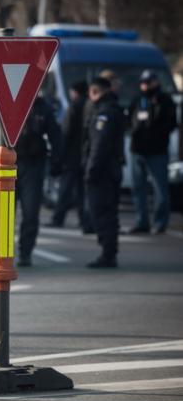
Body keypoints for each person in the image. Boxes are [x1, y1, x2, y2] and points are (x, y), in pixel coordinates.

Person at [0, 96, 61, 266]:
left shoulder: (42, 107)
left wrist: (57, 161)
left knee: (30, 213)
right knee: (2, 213)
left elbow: (55, 134)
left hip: (33, 165)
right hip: (7, 164)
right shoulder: (6, 103)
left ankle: (25, 253)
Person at [127, 70, 177, 234]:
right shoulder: (137, 99)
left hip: (157, 151)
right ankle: (142, 222)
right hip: (137, 150)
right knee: (138, 187)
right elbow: (130, 121)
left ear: (155, 82)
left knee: (159, 188)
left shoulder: (165, 100)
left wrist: (155, 133)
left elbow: (171, 124)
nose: (145, 85)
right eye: (143, 82)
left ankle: (160, 222)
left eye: (148, 82)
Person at [84, 77, 124, 268]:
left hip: (102, 171)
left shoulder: (104, 112)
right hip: (110, 169)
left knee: (102, 212)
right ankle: (109, 253)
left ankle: (108, 254)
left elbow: (99, 145)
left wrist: (91, 170)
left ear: (94, 91)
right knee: (107, 212)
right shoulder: (111, 107)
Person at [50, 81, 91, 232]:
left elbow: (65, 132)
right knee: (81, 191)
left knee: (65, 190)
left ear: (75, 92)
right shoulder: (90, 105)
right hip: (85, 156)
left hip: (72, 156)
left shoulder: (74, 106)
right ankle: (84, 220)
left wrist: (60, 155)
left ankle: (58, 218)